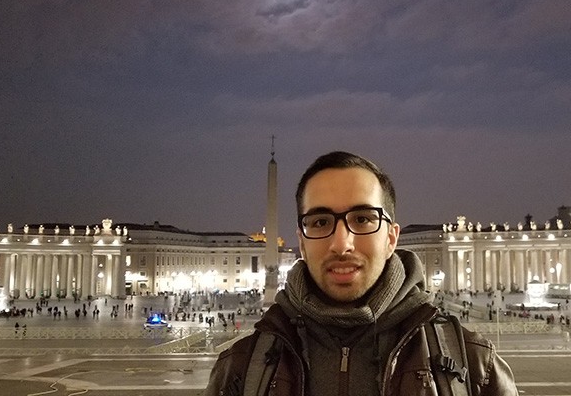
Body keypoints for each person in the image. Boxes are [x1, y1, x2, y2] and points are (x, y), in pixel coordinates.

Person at [205, 151, 518, 396]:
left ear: (392, 238)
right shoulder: (238, 370)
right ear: (301, 242)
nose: (342, 244)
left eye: (364, 219)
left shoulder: (476, 367)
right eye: (320, 222)